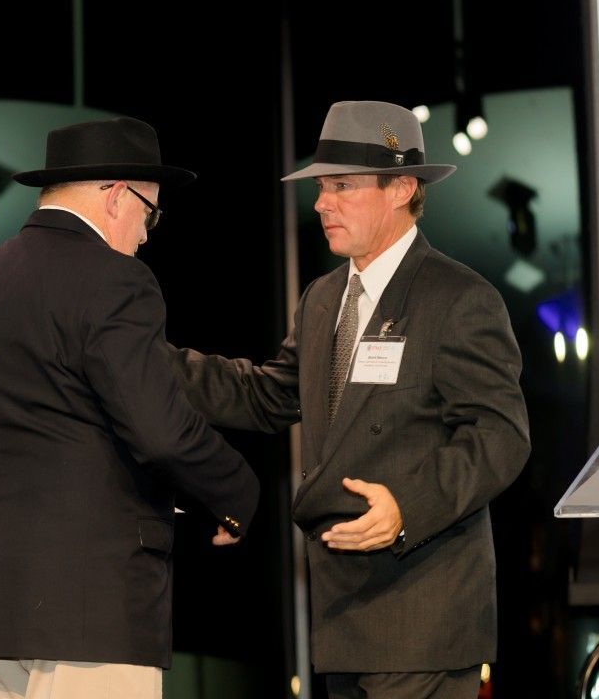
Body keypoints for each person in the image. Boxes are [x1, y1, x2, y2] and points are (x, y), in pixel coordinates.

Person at [172, 99, 530, 699]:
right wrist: (148, 361)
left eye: (341, 185)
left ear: (401, 189)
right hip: (342, 619)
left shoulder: (459, 297)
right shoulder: (322, 299)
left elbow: (501, 437)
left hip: (424, 620)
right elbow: (267, 395)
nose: (320, 202)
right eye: (320, 186)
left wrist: (406, 507)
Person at [0, 116, 259, 699]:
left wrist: (18, 462)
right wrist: (237, 492)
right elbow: (161, 431)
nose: (147, 235)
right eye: (151, 213)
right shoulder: (116, 280)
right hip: (97, 610)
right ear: (117, 195)